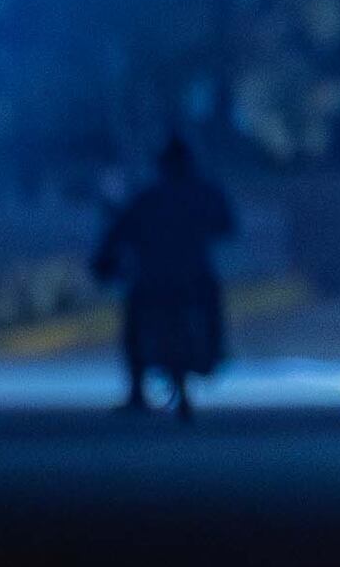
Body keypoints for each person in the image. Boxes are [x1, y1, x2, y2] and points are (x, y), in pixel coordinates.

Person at [91, 136, 240, 419]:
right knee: (140, 318)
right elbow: (226, 227)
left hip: (167, 281)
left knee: (143, 317)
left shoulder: (153, 197)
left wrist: (105, 264)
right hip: (179, 280)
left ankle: (139, 389)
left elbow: (116, 236)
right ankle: (142, 386)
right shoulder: (197, 194)